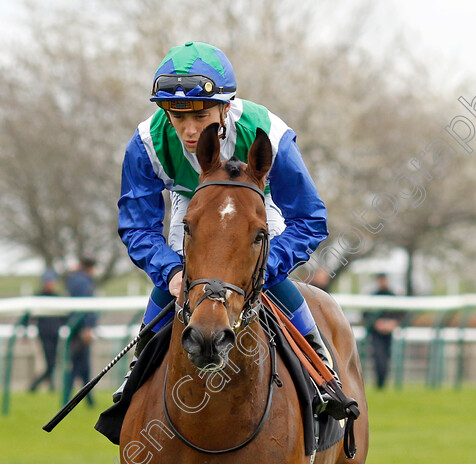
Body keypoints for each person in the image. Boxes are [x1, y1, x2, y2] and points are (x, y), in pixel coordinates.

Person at [115, 41, 335, 402]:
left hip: (253, 205)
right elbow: (138, 226)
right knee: (180, 273)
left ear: (226, 106)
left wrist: (263, 267)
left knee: (262, 271)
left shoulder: (269, 132)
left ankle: (320, 367)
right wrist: (171, 272)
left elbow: (309, 218)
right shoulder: (145, 143)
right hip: (192, 201)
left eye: (200, 117)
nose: (188, 131)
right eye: (177, 116)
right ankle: (137, 373)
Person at [62, 258, 98, 405]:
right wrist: (87, 327)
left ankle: (88, 401)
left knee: (81, 365)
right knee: (79, 365)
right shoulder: (84, 281)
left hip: (74, 326)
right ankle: (67, 399)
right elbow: (86, 306)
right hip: (80, 328)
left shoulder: (73, 279)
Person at [28, 270, 66, 393]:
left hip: (55, 334)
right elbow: (29, 315)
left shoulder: (57, 297)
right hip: (44, 334)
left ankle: (50, 386)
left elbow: (63, 316)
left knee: (53, 363)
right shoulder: (39, 297)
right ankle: (34, 386)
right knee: (50, 363)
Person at [363, 273, 401, 389]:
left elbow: (400, 314)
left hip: (388, 333)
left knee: (386, 358)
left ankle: (382, 384)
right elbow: (366, 314)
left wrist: (392, 323)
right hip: (376, 333)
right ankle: (379, 384)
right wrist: (377, 324)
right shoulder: (373, 296)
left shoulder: (393, 296)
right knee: (378, 357)